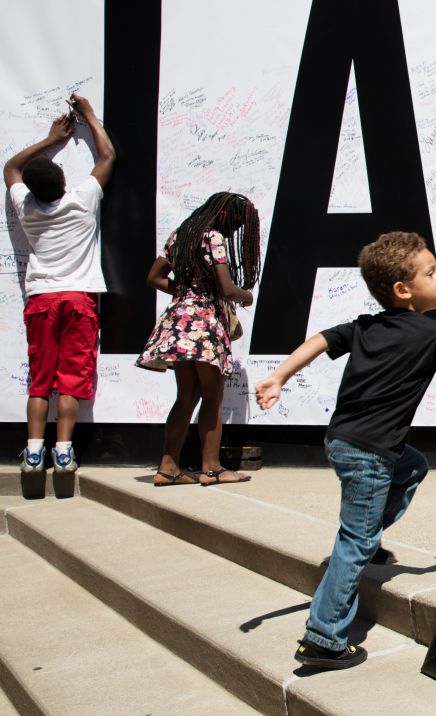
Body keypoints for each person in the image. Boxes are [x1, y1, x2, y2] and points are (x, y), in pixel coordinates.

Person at [254, 231, 436, 670]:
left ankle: (366, 537)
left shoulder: (364, 326)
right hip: (372, 455)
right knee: (354, 541)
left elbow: (319, 340)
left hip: (342, 442)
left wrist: (279, 376)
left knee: (414, 466)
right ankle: (323, 638)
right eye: (431, 273)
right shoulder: (431, 333)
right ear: (403, 290)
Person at [5, 94, 116, 499]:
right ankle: (64, 450)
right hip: (79, 299)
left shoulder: (26, 207)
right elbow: (106, 155)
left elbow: (11, 167)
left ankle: (34, 452)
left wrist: (50, 139)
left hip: (41, 299)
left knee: (40, 381)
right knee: (69, 380)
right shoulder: (81, 201)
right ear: (64, 182)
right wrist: (87, 115)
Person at [137, 192, 260, 486]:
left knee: (186, 396)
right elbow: (228, 289)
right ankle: (212, 468)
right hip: (205, 323)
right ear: (225, 215)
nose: (234, 231)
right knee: (213, 395)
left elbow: (153, 277)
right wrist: (247, 296)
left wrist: (185, 292)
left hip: (179, 322)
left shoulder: (182, 234)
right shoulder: (214, 237)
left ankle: (167, 469)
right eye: (236, 224)